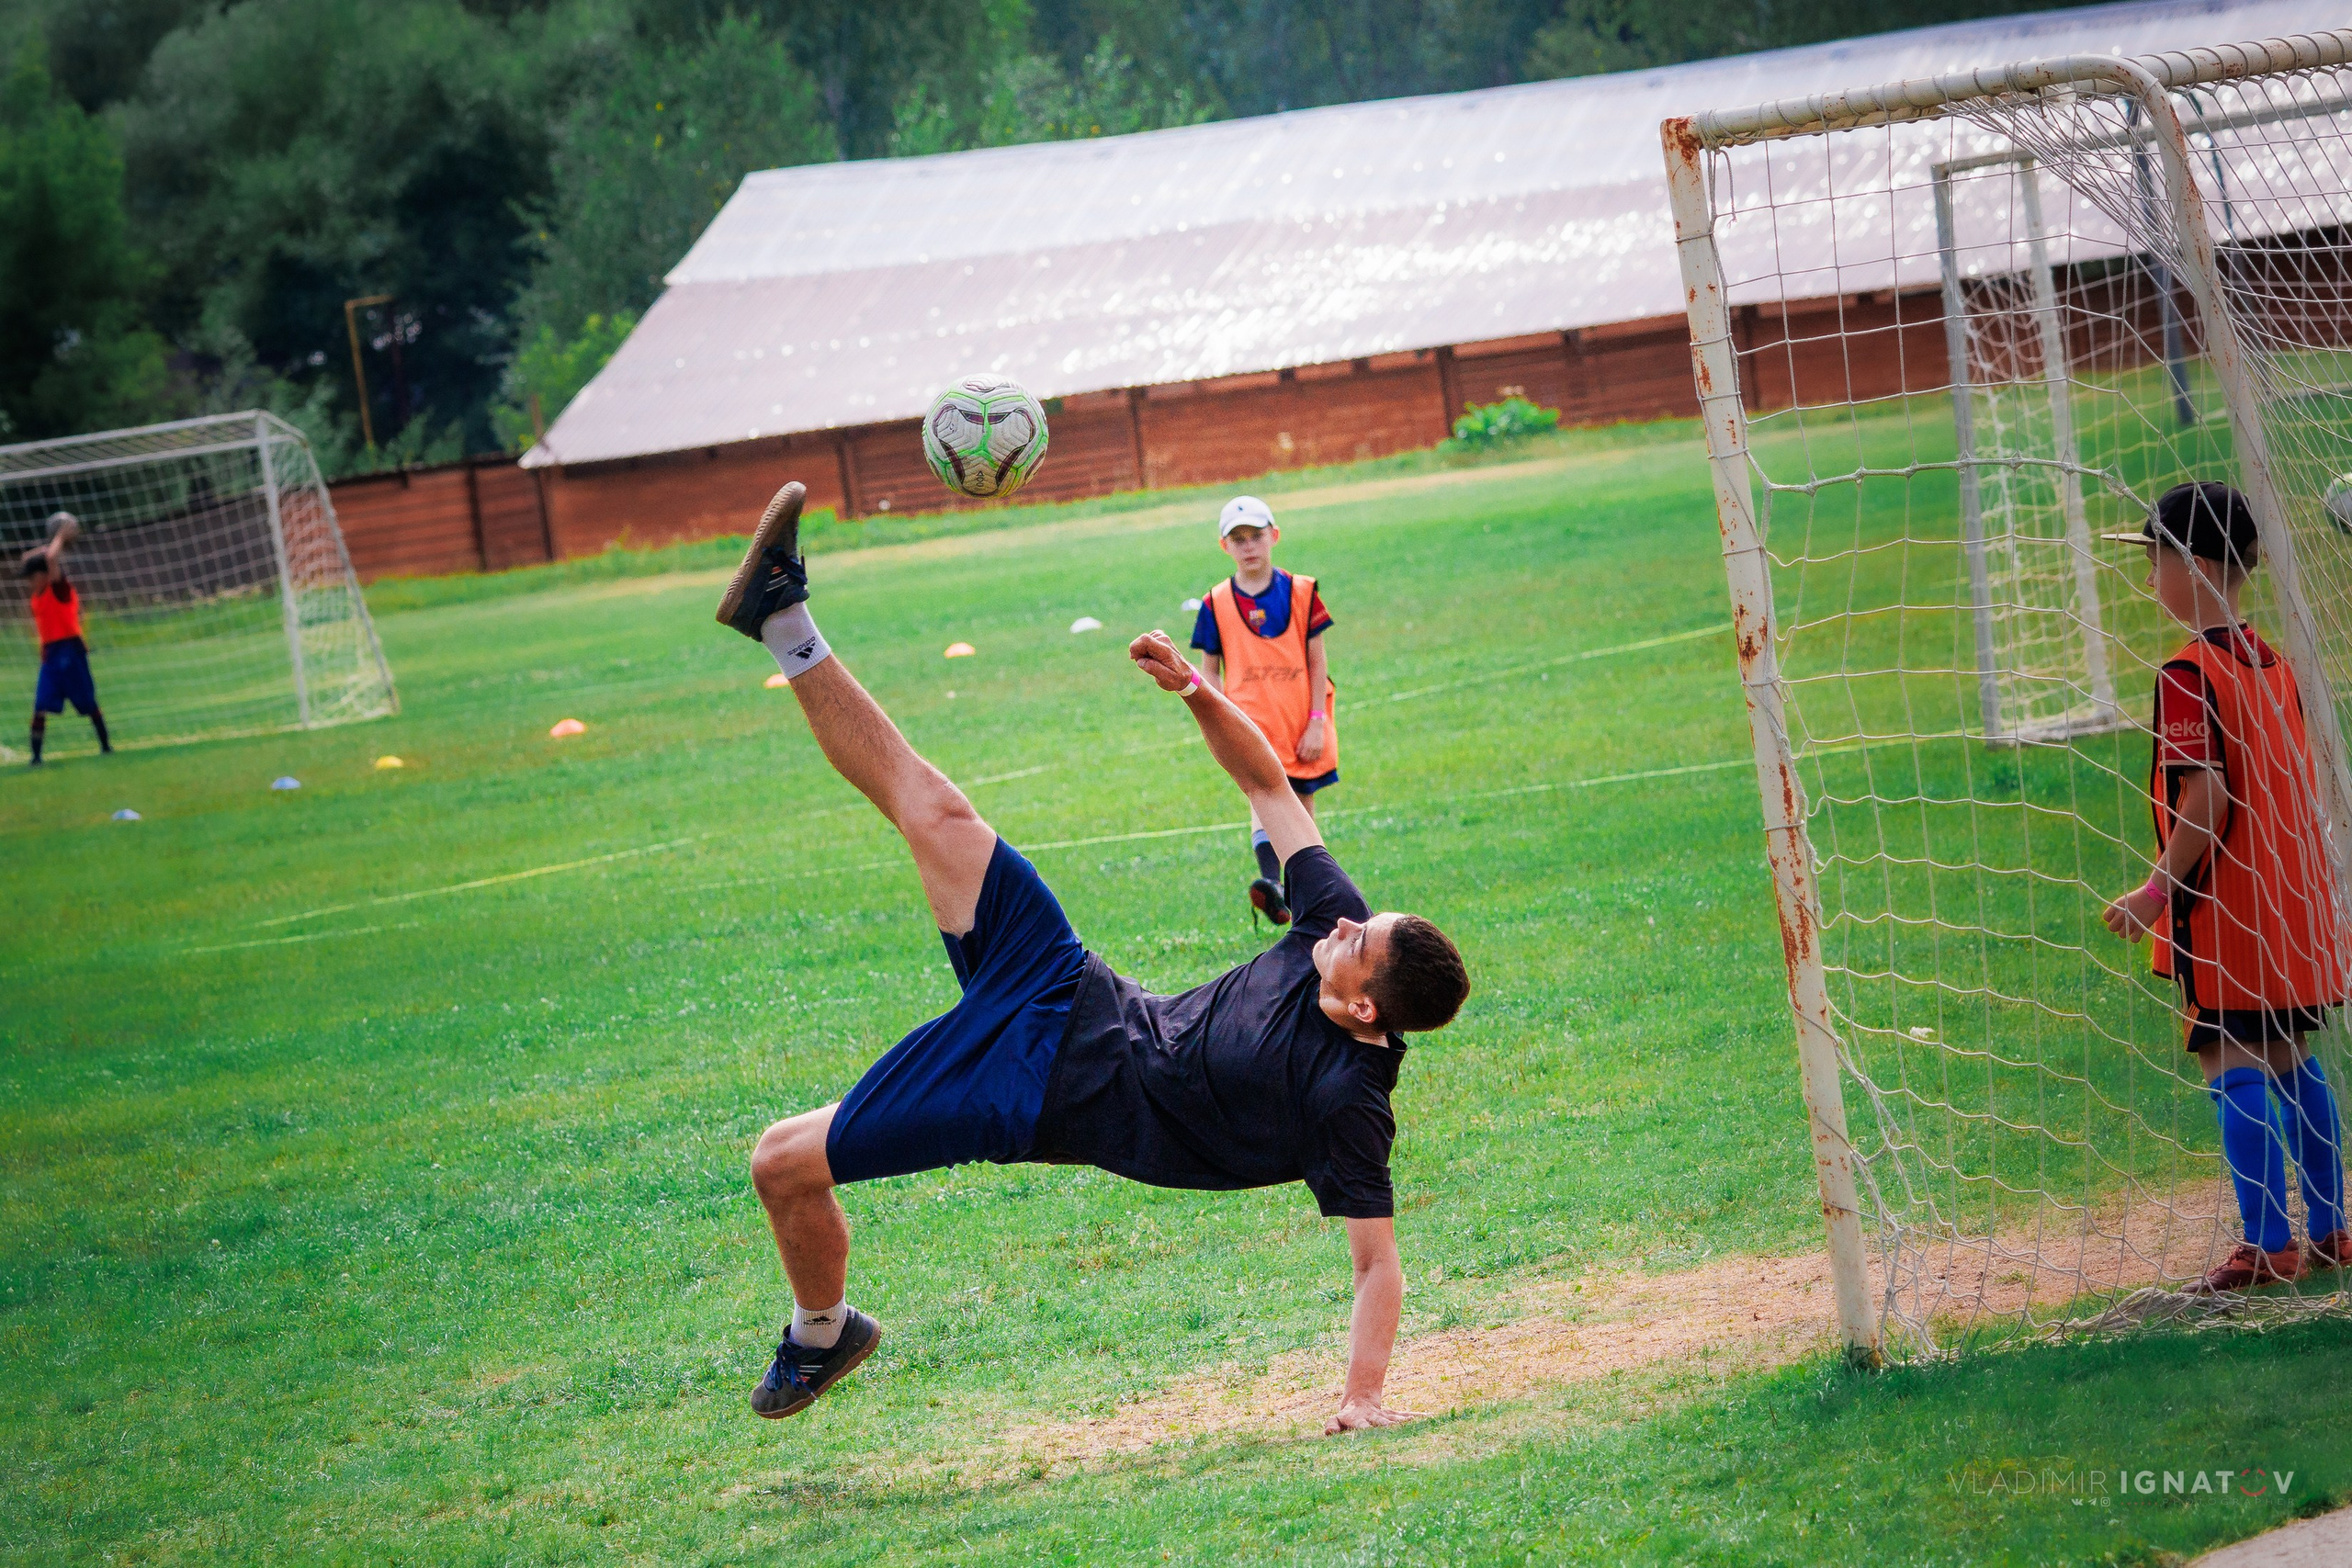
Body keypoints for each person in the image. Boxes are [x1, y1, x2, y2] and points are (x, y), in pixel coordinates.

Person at [715, 481, 1469, 1432]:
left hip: (1033, 1092)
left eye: (1355, 943)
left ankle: (822, 1331)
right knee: (939, 812)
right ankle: (781, 613)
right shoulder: (1332, 924)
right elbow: (1266, 781)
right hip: (1065, 984)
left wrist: (1363, 1400)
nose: (1337, 926)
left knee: (781, 1161)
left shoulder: (1344, 1099)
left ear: (1364, 1008)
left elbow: (1376, 1264)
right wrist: (1196, 690)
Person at [2101, 481, 2348, 1293]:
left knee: (2229, 1056)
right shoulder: (2275, 660)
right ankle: (2332, 1229)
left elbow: (2204, 801)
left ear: (2199, 564)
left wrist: (2153, 892)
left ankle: (2266, 1245)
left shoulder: (2186, 672)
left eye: (2155, 560)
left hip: (2230, 910)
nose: (2148, 581)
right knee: (2290, 1056)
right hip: (2292, 901)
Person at [1190, 495, 1337, 926]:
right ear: (1225, 547)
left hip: (1299, 719)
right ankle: (1270, 882)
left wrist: (1316, 722)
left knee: (1302, 806)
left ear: (1274, 536)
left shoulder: (1303, 592)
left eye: (1256, 536)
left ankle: (1301, 898)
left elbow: (1316, 661)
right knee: (1263, 795)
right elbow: (1209, 672)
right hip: (1250, 721)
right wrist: (1218, 721)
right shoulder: (1215, 602)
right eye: (1238, 539)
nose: (1249, 546)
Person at [17, 512, 112, 765]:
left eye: (31, 576)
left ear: (44, 575)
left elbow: (50, 558)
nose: (28, 582)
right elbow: (32, 558)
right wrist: (50, 543)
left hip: (71, 653)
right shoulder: (37, 595)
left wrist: (60, 536)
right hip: (51, 656)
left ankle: (106, 747)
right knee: (40, 705)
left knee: (88, 703)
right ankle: (36, 758)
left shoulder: (58, 588)